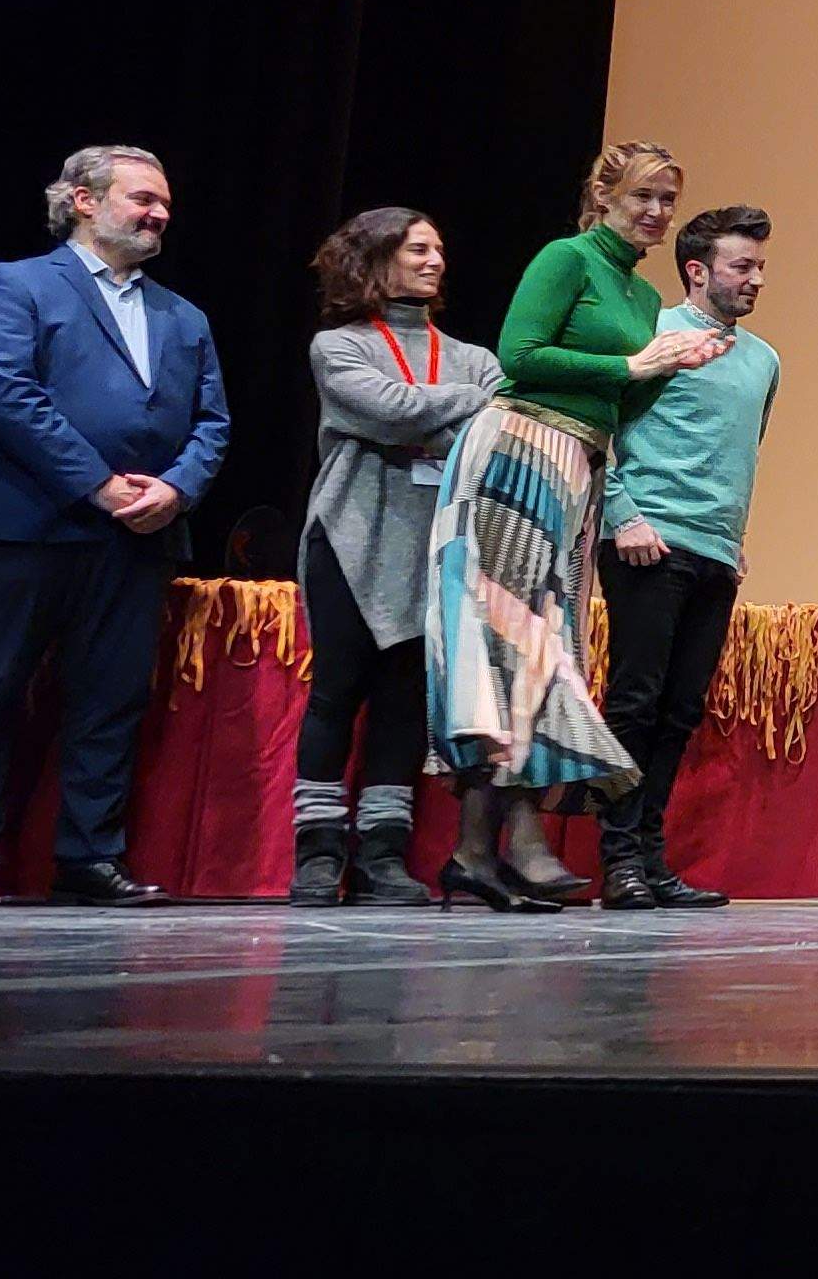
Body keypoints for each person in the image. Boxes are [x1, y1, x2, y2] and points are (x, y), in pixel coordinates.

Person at [430, 142, 728, 912]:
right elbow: (519, 355)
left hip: (578, 467)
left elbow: (621, 409)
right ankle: (494, 846)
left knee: (544, 648)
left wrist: (667, 367)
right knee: (508, 644)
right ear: (604, 197)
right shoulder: (567, 258)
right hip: (520, 449)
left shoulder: (636, 296)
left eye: (667, 199)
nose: (657, 213)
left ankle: (493, 848)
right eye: (643, 198)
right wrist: (633, 368)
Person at [0, 146, 229, 910]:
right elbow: (4, 396)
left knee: (110, 702)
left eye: (166, 204)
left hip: (138, 538)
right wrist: (100, 485)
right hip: (25, 530)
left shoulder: (184, 315)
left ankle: (87, 857)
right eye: (144, 198)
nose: (159, 214)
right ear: (83, 200)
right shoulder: (12, 284)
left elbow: (213, 422)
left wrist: (176, 489)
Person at [293, 207, 501, 905]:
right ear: (375, 259)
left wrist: (431, 411)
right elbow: (383, 407)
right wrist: (458, 409)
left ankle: (383, 854)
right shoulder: (339, 345)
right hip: (354, 537)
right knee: (336, 691)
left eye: (439, 248)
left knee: (403, 704)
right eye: (417, 249)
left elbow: (501, 421)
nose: (434, 260)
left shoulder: (473, 355)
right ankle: (317, 852)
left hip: (435, 545)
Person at [595, 203, 782, 910]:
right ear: (698, 271)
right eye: (742, 266)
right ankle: (618, 859)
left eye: (761, 266)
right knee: (635, 702)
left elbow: (740, 454)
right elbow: (602, 428)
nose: (756, 279)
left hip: (712, 553)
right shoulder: (652, 334)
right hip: (649, 541)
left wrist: (734, 544)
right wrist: (624, 516)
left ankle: (649, 853)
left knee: (679, 711)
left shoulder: (764, 360)